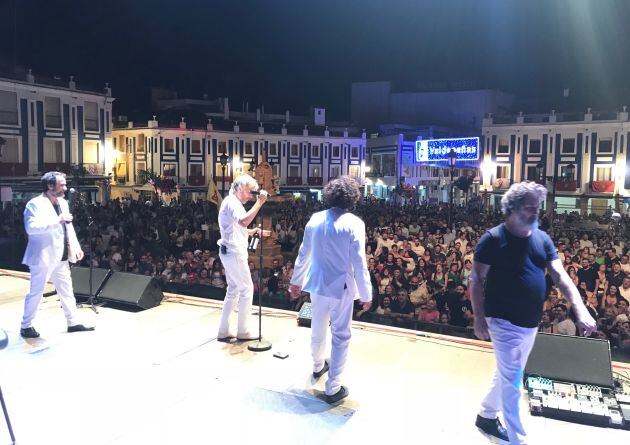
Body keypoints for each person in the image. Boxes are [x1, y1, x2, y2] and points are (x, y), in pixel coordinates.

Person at [469, 181, 596, 445]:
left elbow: (560, 276)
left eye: (537, 208)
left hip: (529, 322)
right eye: (529, 208)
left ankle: (486, 415)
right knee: (512, 381)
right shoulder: (492, 239)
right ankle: (517, 440)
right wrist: (479, 317)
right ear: (511, 208)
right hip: (502, 320)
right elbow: (476, 279)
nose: (536, 213)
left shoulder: (542, 238)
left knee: (510, 371)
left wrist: (579, 306)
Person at [289, 176, 372, 404]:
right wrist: (366, 294)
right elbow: (359, 262)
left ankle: (317, 366)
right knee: (341, 335)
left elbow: (303, 253)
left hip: (316, 284)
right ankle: (333, 387)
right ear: (352, 198)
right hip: (341, 287)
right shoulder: (354, 223)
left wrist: (295, 282)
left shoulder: (314, 219)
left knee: (317, 325)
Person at [20, 171, 95, 338]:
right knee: (36, 292)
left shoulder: (62, 202)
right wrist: (57, 220)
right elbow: (31, 228)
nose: (66, 188)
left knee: (67, 290)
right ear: (49, 186)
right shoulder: (35, 204)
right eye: (62, 185)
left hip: (60, 256)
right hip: (42, 257)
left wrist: (75, 247)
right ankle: (26, 325)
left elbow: (68, 227)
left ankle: (73, 322)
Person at [216, 174, 269, 342]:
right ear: (239, 188)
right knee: (246, 289)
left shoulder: (231, 202)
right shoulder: (232, 202)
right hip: (234, 253)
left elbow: (236, 227)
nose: (251, 195)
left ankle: (224, 330)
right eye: (249, 191)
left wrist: (252, 232)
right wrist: (260, 202)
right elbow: (244, 221)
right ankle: (243, 331)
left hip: (228, 252)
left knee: (233, 290)